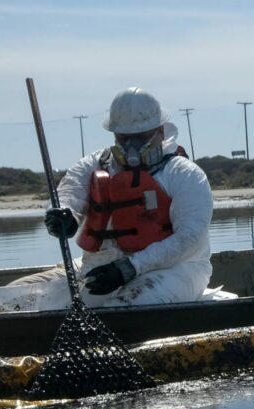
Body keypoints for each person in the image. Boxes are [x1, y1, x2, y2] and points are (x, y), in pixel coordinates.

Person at [42, 87, 213, 306]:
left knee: (125, 307)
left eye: (141, 137)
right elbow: (69, 191)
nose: (132, 146)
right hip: (102, 268)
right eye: (124, 138)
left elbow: (189, 237)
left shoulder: (185, 174)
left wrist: (129, 267)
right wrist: (63, 214)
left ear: (159, 132)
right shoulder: (95, 164)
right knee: (44, 303)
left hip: (176, 270)